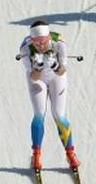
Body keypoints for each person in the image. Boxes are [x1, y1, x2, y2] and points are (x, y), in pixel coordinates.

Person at [18, 20, 79, 173]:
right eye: (37, 43)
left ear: (48, 38)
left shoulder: (59, 43)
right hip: (37, 79)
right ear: (32, 41)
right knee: (39, 114)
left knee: (59, 115)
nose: (41, 46)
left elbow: (62, 71)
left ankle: (70, 153)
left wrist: (54, 65)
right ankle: (36, 155)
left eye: (44, 42)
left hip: (56, 77)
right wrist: (38, 66)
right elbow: (34, 76)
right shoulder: (25, 48)